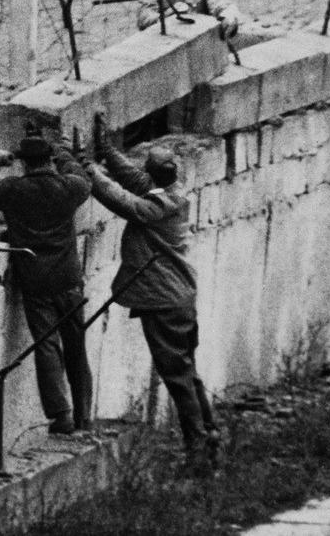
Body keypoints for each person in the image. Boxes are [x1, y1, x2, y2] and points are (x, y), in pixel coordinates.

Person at [83, 116, 219, 472]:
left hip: (164, 300)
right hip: (177, 297)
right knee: (187, 372)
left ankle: (199, 450)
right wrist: (108, 153)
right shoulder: (172, 193)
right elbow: (134, 180)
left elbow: (124, 200)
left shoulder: (158, 206)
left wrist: (87, 171)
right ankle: (209, 434)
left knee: (176, 376)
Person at [0, 132, 94, 436]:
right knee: (76, 346)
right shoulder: (69, 187)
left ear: (24, 164)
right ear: (48, 160)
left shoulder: (14, 190)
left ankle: (61, 416)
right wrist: (63, 152)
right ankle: (84, 416)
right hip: (68, 277)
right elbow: (80, 174)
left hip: (35, 278)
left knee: (47, 345)